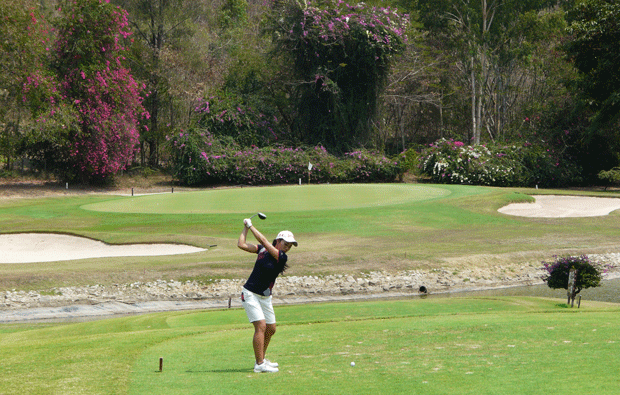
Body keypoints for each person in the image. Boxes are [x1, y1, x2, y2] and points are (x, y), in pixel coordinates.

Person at [238, 217, 297, 373]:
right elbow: (241, 245)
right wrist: (245, 227)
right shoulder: (263, 250)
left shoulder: (282, 256)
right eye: (286, 244)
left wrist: (251, 225)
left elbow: (264, 241)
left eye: (290, 246)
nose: (287, 248)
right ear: (278, 240)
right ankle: (259, 364)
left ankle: (262, 358)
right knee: (261, 326)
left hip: (265, 296)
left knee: (271, 328)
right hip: (250, 293)